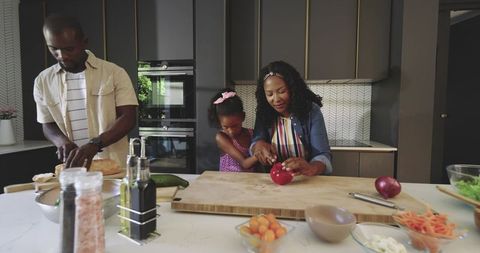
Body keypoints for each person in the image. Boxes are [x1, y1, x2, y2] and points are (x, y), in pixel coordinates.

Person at [33, 14, 138, 169]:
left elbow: (128, 118)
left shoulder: (114, 73)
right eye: (54, 49)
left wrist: (94, 145)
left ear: (84, 42)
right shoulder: (42, 81)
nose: (62, 56)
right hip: (71, 168)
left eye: (69, 49)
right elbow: (47, 124)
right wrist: (62, 142)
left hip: (113, 166)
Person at [250, 61, 332, 176]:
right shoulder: (264, 112)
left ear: (293, 89)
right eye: (269, 94)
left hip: (306, 179)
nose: (276, 99)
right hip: (276, 179)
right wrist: (258, 145)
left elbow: (322, 154)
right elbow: (256, 142)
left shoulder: (311, 111)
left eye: (282, 91)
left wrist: (311, 168)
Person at [208, 88, 258, 172]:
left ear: (243, 117)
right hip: (228, 182)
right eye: (225, 127)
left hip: (248, 181)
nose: (231, 131)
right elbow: (245, 163)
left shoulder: (252, 134)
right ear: (219, 122)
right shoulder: (222, 137)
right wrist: (260, 154)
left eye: (235, 126)